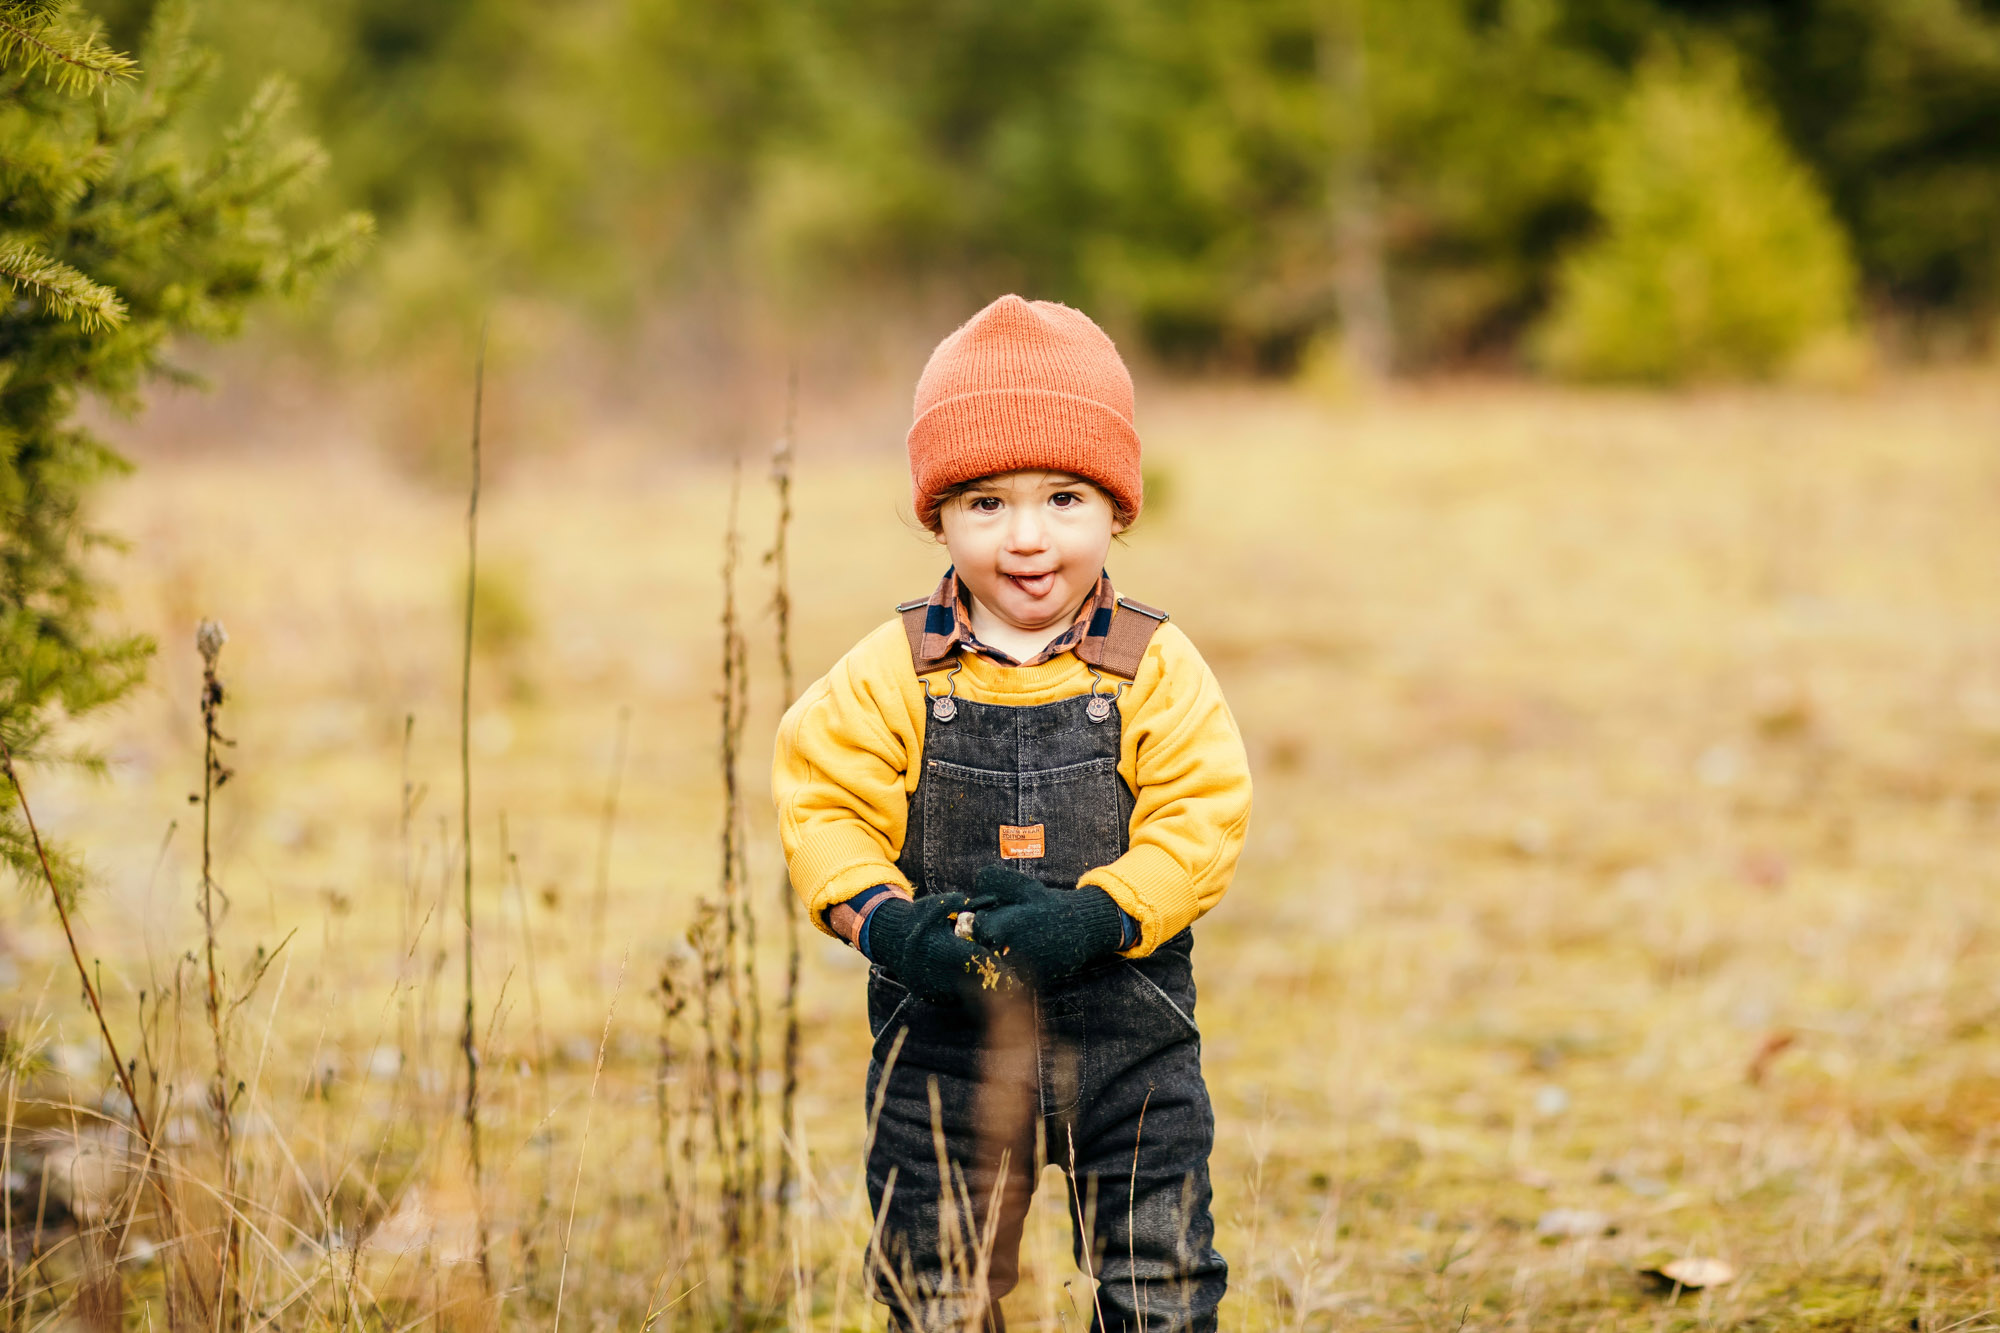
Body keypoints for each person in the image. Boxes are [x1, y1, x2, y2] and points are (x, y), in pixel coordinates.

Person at [773, 294, 1252, 1332]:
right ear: (936, 514)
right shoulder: (891, 671)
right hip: (943, 1039)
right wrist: (890, 926)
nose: (1027, 538)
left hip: (1128, 1040)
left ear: (1116, 509)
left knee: (1159, 1284)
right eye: (985, 503)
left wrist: (1095, 914)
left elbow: (1197, 819)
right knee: (936, 1288)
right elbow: (824, 808)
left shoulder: (1151, 669)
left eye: (1064, 498)